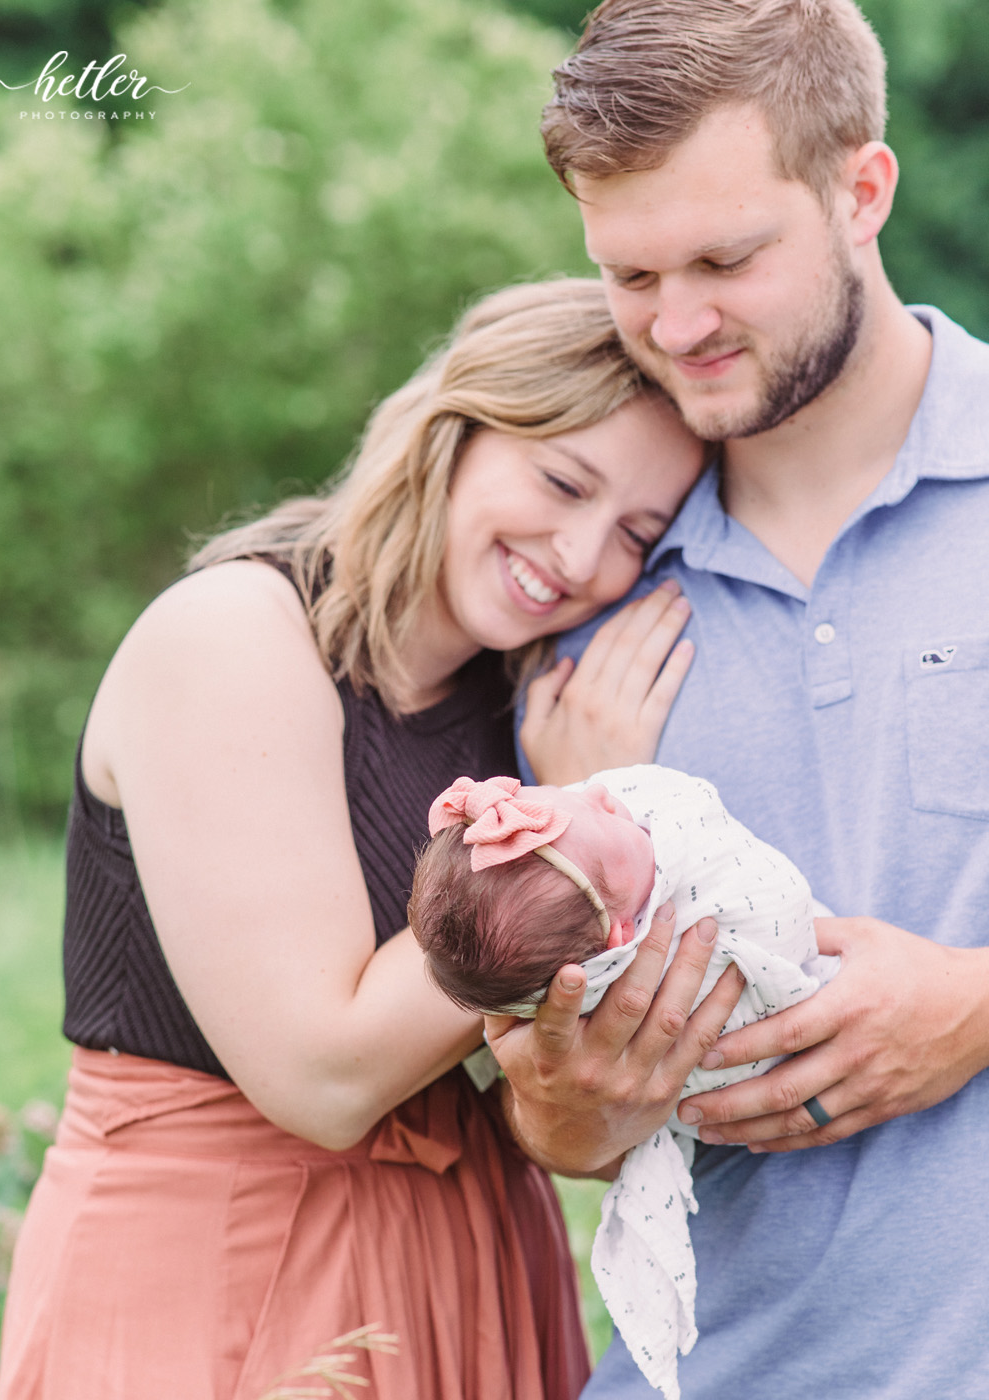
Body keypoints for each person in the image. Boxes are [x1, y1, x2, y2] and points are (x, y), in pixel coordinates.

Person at [0, 277, 736, 1400]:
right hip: (222, 1252)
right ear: (452, 430)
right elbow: (324, 1071)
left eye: (635, 531)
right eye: (559, 479)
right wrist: (574, 824)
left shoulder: (528, 707)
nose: (581, 553)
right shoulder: (237, 636)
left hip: (473, 1252)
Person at [486, 4, 989, 1398]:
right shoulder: (578, 594)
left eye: (725, 259)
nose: (678, 323)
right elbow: (556, 1124)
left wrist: (975, 1001)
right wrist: (567, 1094)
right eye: (630, 274)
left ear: (862, 190)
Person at [411, 767, 835, 1399]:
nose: (606, 797)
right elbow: (780, 907)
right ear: (620, 938)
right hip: (738, 1321)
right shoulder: (619, 952)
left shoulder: (584, 843)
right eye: (608, 822)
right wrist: (561, 1124)